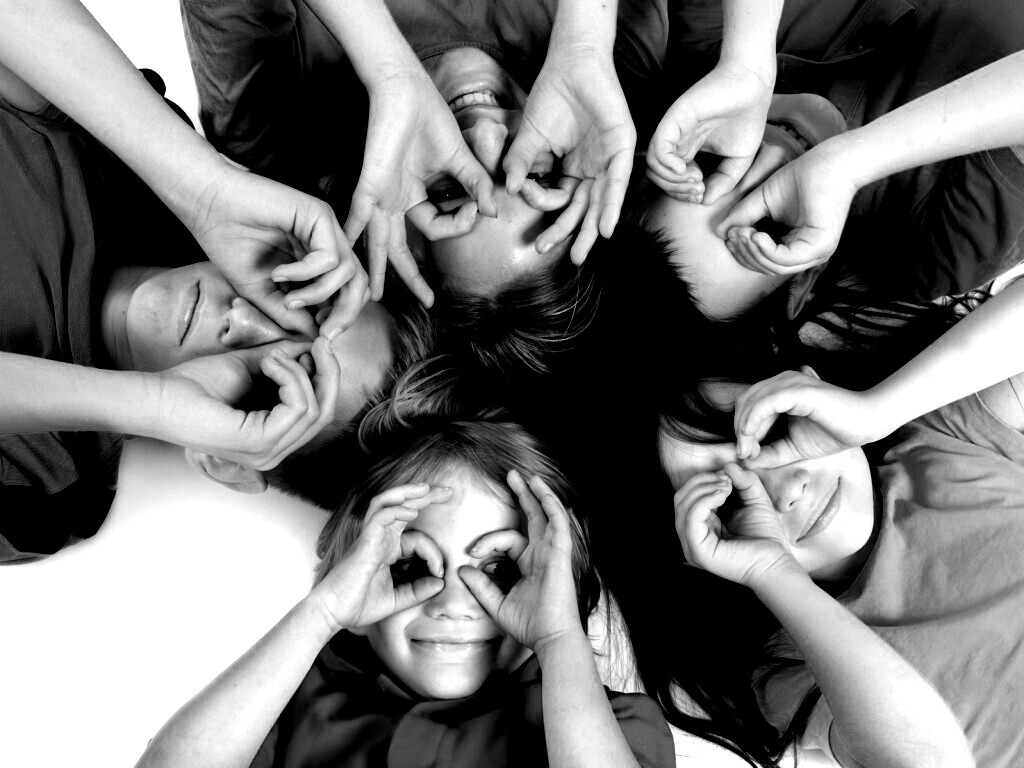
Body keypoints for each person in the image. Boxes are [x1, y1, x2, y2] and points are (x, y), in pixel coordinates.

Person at [0, 87, 435, 563]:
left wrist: (154, 403)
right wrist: (205, 188)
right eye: (307, 303)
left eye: (278, 381)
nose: (242, 320)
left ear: (227, 462)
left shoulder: (46, 491)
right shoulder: (137, 164)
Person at [134, 408, 675, 768]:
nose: (453, 604)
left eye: (499, 571)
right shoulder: (288, 704)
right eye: (411, 565)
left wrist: (558, 638)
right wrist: (324, 610)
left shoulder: (613, 726)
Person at [180, 0, 669, 299]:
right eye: (534, 174)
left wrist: (389, 69)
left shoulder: (274, 122)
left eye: (448, 191)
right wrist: (584, 40)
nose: (486, 134)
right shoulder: (616, 73)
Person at [0, 0, 374, 339]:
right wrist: (204, 192)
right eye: (298, 295)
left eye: (287, 377)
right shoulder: (140, 184)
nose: (241, 321)